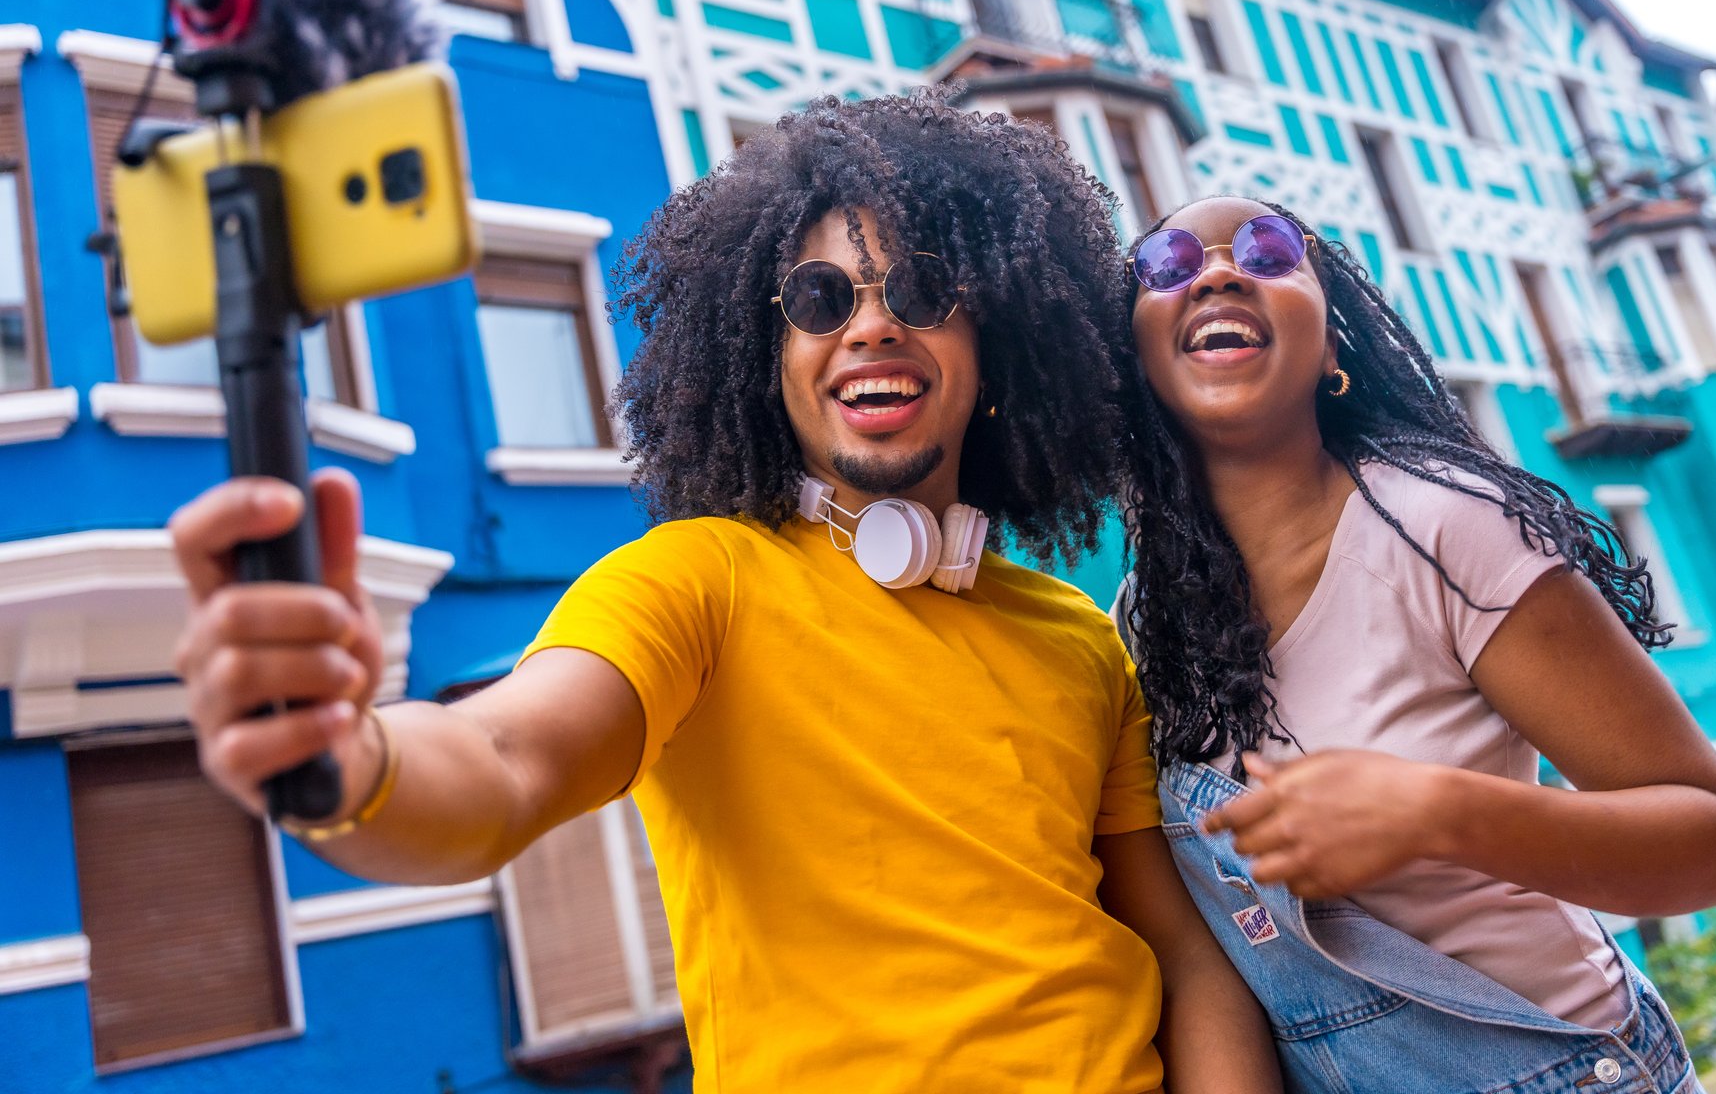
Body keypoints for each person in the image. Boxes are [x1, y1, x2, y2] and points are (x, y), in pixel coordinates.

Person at [166, 97, 1280, 1093]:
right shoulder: (695, 581)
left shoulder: (1079, 639)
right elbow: (507, 761)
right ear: (767, 357)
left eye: (925, 291)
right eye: (818, 297)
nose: (871, 324)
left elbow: (1183, 954)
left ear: (1000, 351)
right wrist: (342, 758)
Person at [1116, 194, 1716, 1094]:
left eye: (1268, 253)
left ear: (1334, 348)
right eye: (1169, 265)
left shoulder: (1443, 527)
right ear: (1136, 359)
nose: (1220, 272)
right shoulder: (1144, 621)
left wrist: (1432, 814)